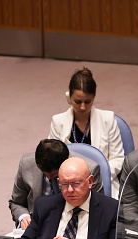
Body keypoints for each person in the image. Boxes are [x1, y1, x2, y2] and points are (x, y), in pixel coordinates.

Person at [18, 157, 118, 239]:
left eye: (76, 183)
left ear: (90, 182)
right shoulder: (43, 206)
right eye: (65, 184)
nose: (70, 190)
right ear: (58, 182)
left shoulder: (111, 209)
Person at [48, 67, 124, 199]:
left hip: (101, 184)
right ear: (68, 97)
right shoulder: (58, 122)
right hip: (68, 186)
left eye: (87, 102)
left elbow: (117, 158)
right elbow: (52, 160)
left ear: (94, 97)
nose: (82, 107)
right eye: (77, 101)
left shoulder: (108, 119)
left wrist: (95, 178)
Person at [9, 139, 104, 230]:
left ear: (66, 161)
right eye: (44, 173)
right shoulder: (26, 164)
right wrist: (23, 217)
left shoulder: (89, 170)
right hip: (38, 226)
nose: (49, 178)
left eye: (54, 174)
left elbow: (97, 210)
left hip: (73, 225)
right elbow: (16, 203)